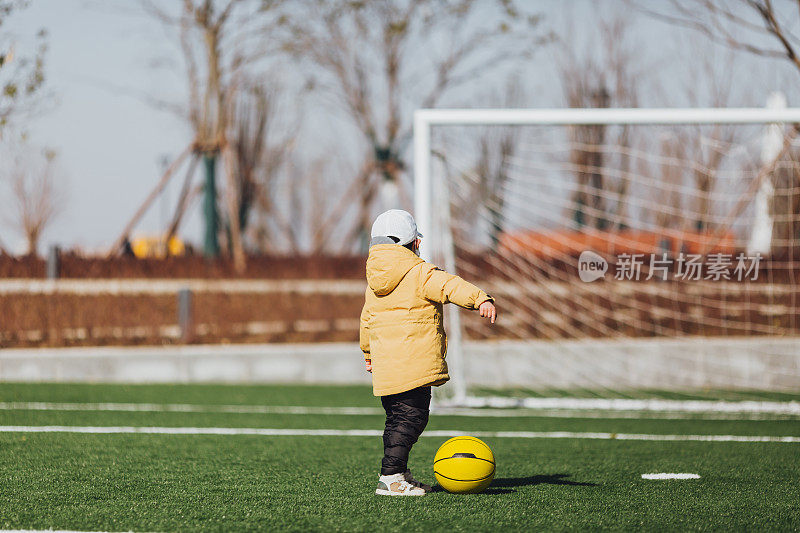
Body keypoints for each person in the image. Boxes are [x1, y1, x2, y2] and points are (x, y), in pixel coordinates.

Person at [360, 209, 497, 496]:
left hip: (387, 366)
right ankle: (391, 476)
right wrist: (480, 298)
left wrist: (368, 353)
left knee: (398, 418)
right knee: (411, 418)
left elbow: (367, 318)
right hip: (413, 365)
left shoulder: (374, 282)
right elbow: (450, 285)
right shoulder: (419, 272)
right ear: (414, 244)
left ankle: (399, 473)